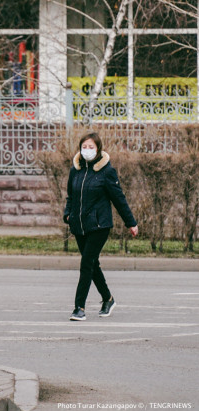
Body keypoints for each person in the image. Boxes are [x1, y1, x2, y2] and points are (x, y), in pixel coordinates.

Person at [63, 132, 138, 321]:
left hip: (99, 225)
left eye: (91, 147)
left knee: (86, 264)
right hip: (79, 226)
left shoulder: (106, 172)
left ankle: (79, 307)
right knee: (92, 264)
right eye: (84, 147)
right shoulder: (75, 170)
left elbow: (118, 198)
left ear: (98, 150)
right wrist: (68, 214)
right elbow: (70, 196)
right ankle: (108, 299)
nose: (87, 150)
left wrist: (131, 222)